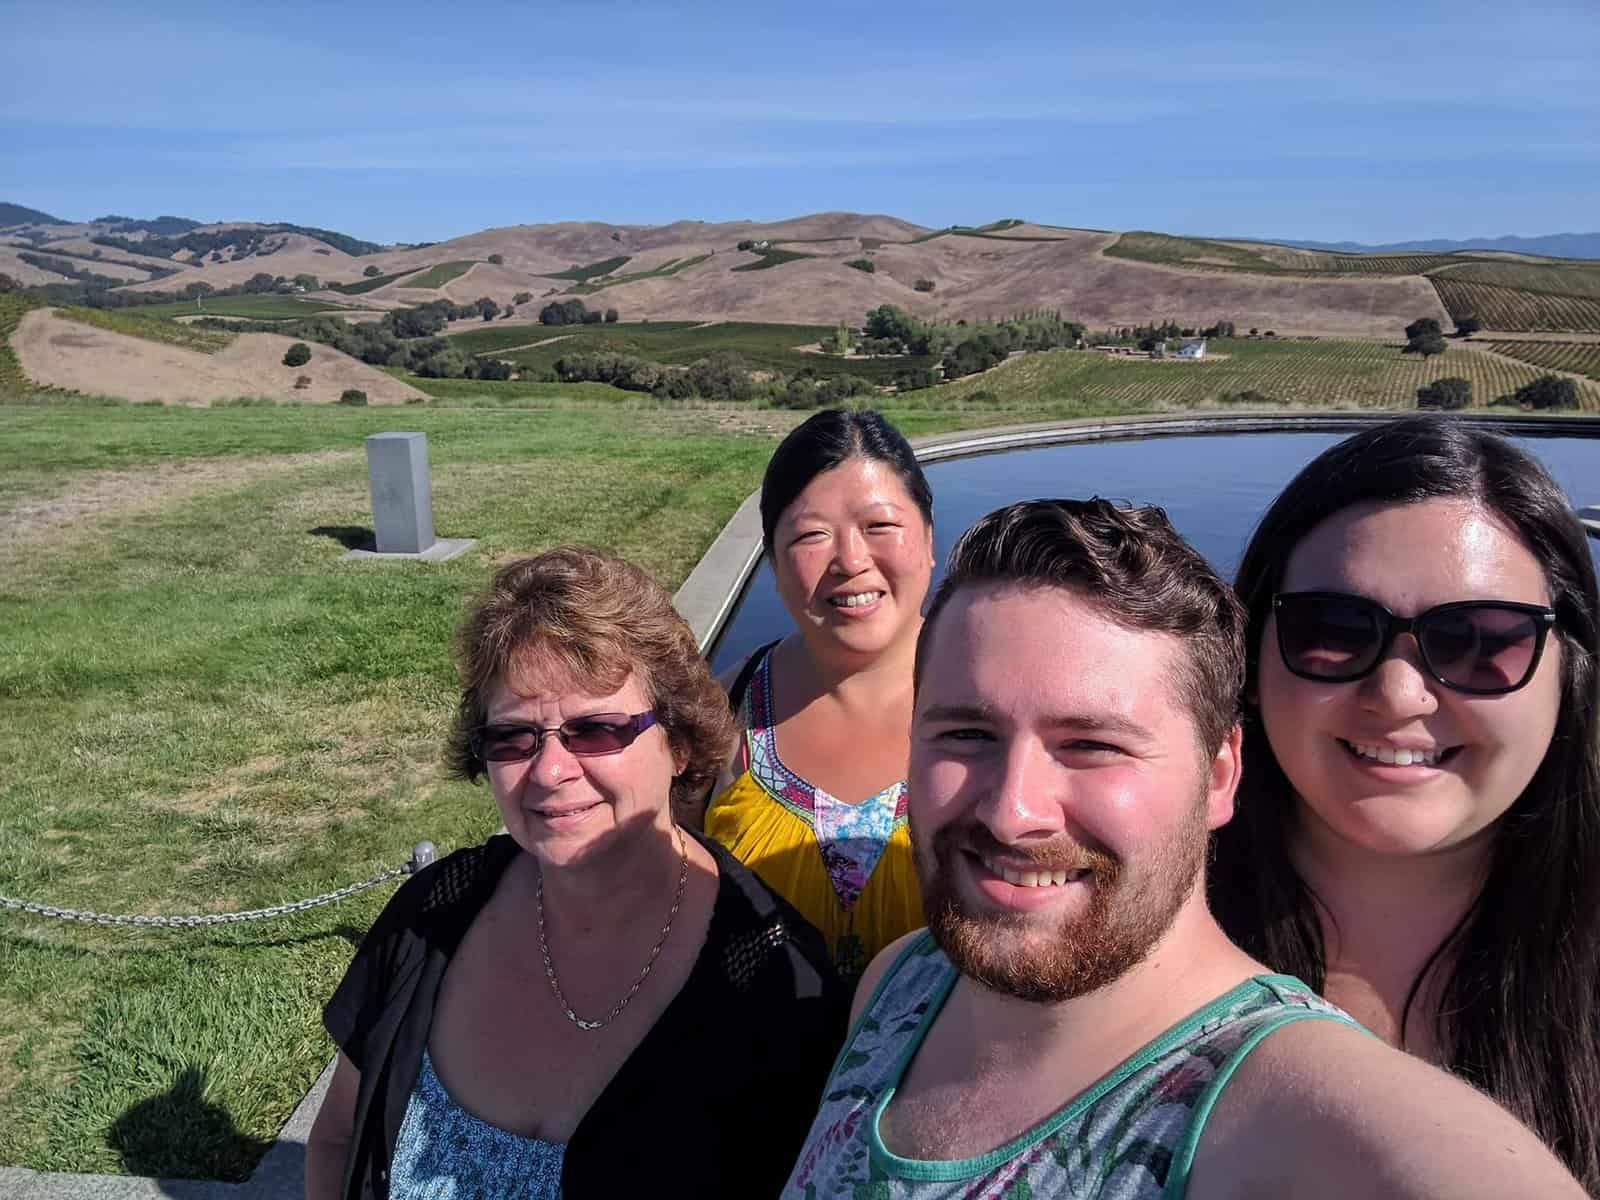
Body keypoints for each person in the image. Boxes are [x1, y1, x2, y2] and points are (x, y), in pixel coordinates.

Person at [783, 498, 1584, 1199]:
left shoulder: (1291, 1112)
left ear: (1219, 776)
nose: (1011, 811)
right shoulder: (897, 984)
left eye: (1092, 744)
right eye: (966, 733)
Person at [305, 547, 848, 1200]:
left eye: (594, 730)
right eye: (514, 736)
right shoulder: (431, 915)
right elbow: (339, 1137)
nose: (550, 771)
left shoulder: (781, 990)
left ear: (677, 742)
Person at [1209, 415, 1600, 1192]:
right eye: (1330, 631)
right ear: (1251, 660)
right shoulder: (1134, 923)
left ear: (1570, 672)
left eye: (1482, 641)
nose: (1397, 694)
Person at [701, 409, 936, 984]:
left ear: (929, 540)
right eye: (811, 535)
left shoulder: (1007, 698)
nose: (851, 561)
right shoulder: (723, 709)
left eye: (879, 526)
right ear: (773, 566)